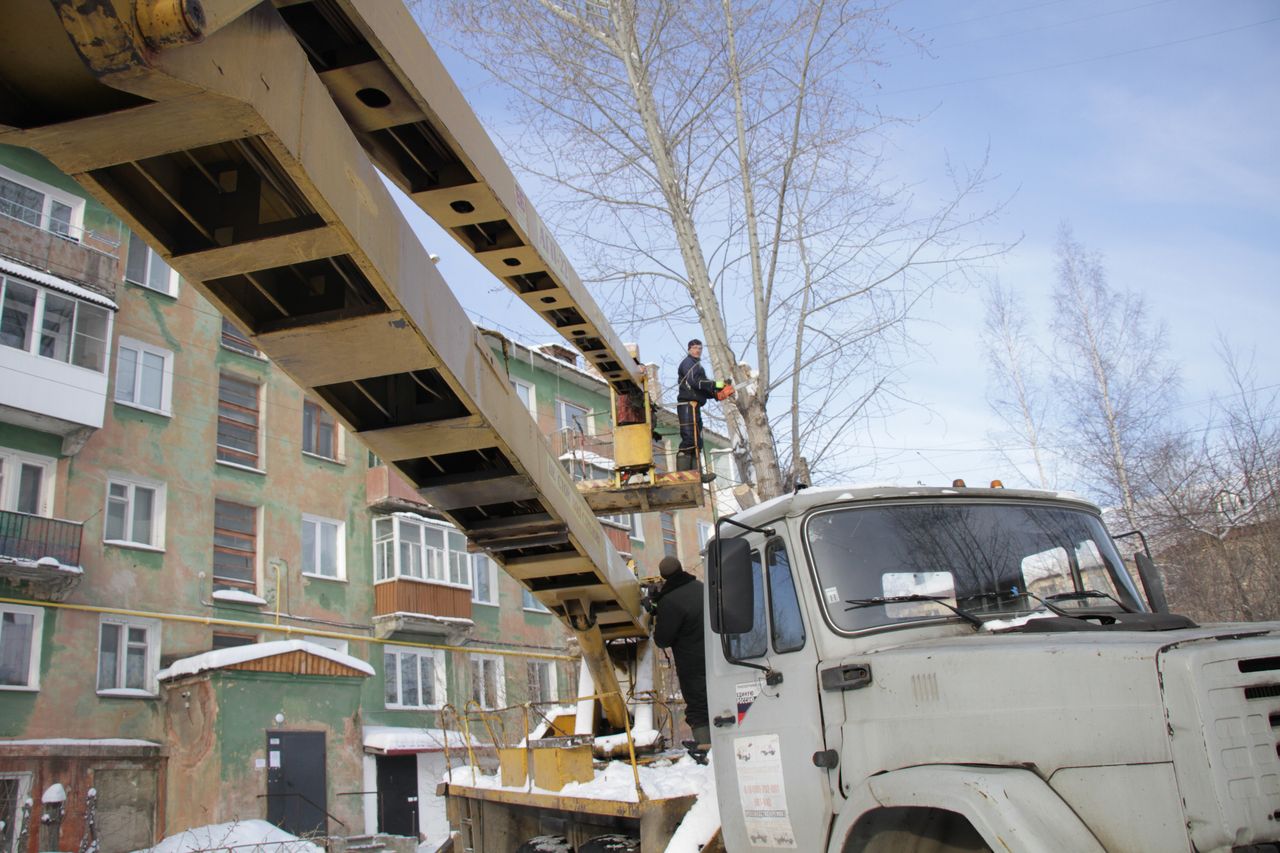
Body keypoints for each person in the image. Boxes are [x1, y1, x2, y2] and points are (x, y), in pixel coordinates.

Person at [651, 555, 709, 747]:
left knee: (699, 710)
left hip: (692, 666)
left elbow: (662, 640)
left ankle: (706, 748)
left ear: (663, 576)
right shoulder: (702, 588)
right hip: (718, 658)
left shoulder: (669, 601)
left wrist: (656, 609)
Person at [676, 339, 722, 471]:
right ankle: (684, 473)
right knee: (689, 439)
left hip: (695, 405)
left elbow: (702, 387)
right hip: (687, 405)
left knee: (697, 441)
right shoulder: (688, 363)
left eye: (700, 348)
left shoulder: (698, 366)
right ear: (689, 349)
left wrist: (716, 392)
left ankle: (696, 473)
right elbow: (695, 382)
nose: (698, 350)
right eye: (695, 348)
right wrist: (715, 385)